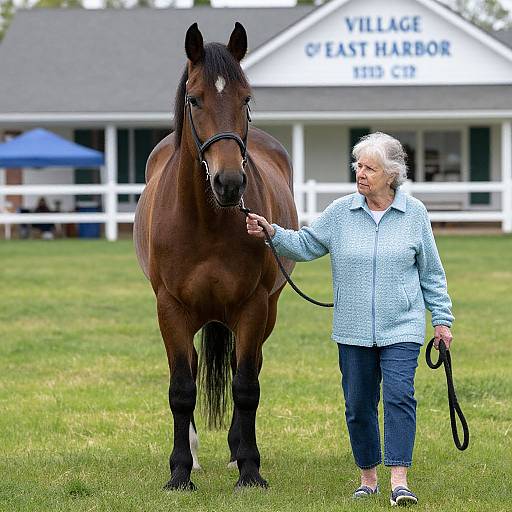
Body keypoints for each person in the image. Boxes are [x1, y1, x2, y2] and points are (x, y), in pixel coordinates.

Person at [246, 132, 454, 506]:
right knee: (358, 405)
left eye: (370, 168)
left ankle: (399, 481)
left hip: (402, 326)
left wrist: (442, 320)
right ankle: (368, 477)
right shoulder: (342, 212)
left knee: (399, 398)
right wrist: (272, 233)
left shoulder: (415, 215)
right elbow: (306, 243)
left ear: (391, 175)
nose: (361, 173)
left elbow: (431, 273)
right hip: (353, 329)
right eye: (358, 165)